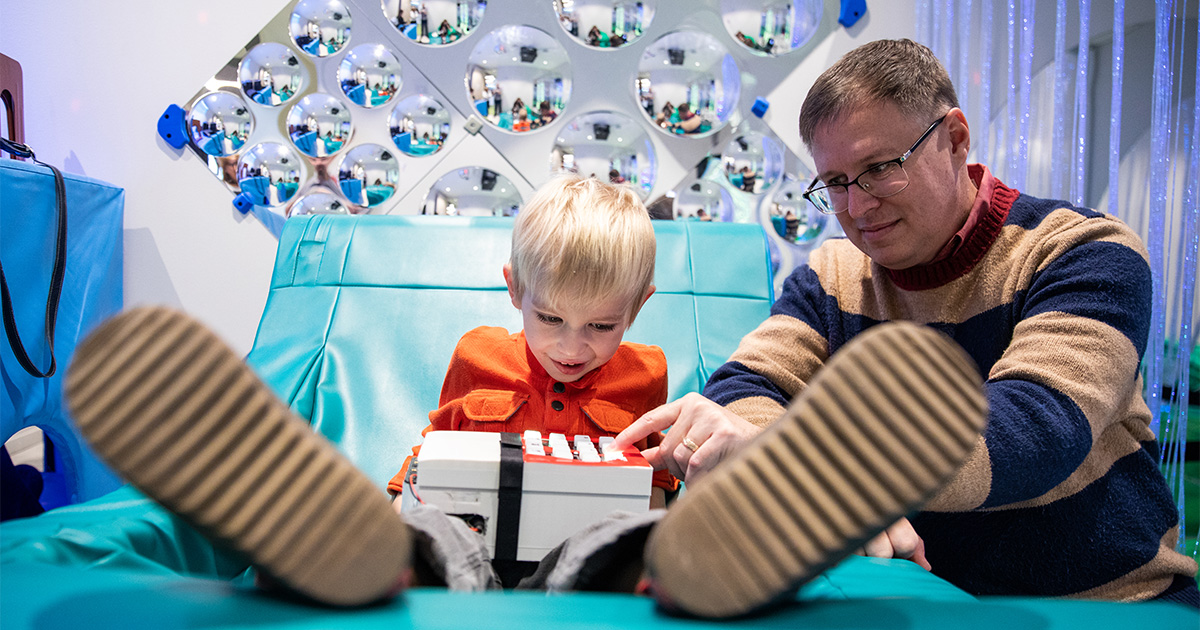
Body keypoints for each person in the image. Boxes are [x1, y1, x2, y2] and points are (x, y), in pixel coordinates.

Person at [63, 170, 990, 617]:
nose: (576, 347)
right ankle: (342, 548)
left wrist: (684, 485)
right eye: (552, 320)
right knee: (428, 536)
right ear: (514, 293)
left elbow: (656, 475)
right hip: (460, 526)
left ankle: (706, 566)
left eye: (603, 326)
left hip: (589, 551)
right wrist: (397, 495)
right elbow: (430, 448)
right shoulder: (478, 354)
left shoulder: (651, 379)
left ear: (639, 311)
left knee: (624, 540)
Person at [613, 38, 1200, 608]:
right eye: (836, 184)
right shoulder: (833, 275)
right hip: (919, 594)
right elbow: (747, 386)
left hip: (1107, 601)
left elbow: (1033, 431)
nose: (859, 205)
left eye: (879, 168)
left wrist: (818, 472)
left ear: (954, 139)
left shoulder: (1084, 251)